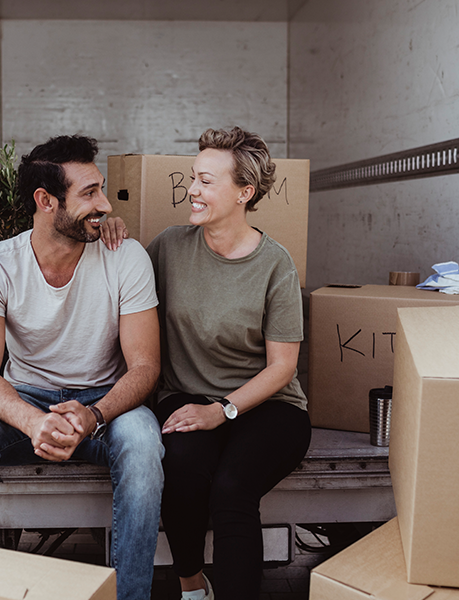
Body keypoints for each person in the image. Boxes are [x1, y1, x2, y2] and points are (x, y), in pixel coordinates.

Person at [0, 134, 164, 600]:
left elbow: (144, 367)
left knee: (144, 445)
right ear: (45, 201)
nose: (103, 203)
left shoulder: (127, 257)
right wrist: (33, 421)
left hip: (105, 402)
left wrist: (95, 414)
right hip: (25, 399)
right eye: (89, 193)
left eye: (101, 188)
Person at [104, 126, 312, 600]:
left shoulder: (275, 264)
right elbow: (115, 275)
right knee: (181, 468)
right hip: (186, 395)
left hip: (268, 404)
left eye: (206, 182)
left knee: (234, 490)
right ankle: (192, 587)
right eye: (193, 178)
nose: (192, 191)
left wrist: (222, 410)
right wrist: (109, 229)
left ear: (245, 192)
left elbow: (282, 368)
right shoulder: (168, 248)